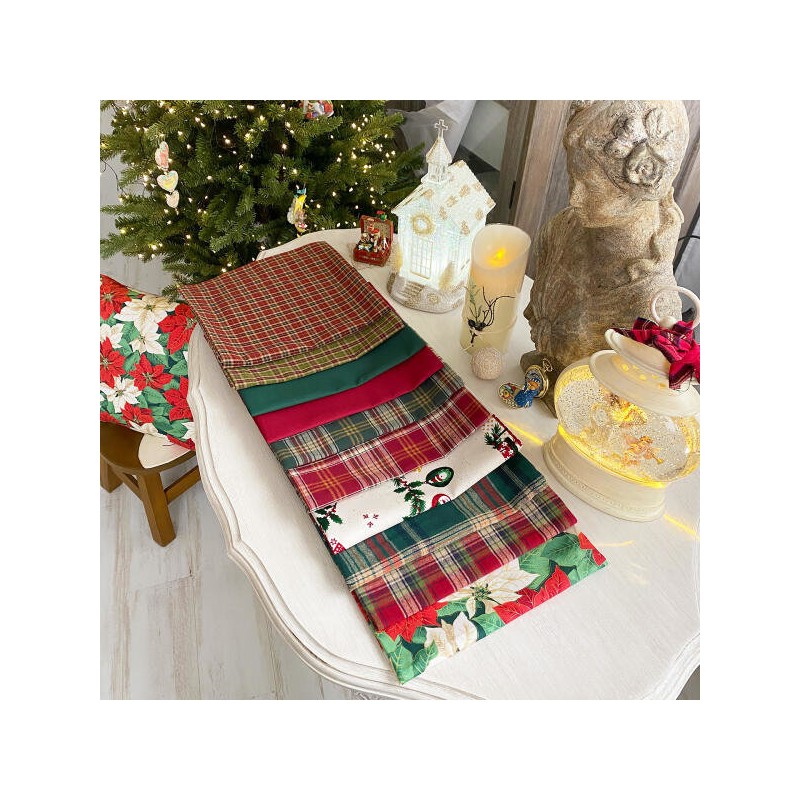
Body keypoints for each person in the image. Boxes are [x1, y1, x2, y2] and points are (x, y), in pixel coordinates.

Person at [522, 100, 690, 371]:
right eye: (572, 179)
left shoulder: (653, 307)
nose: (574, 198)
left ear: (642, 188)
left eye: (590, 187)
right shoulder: (561, 229)